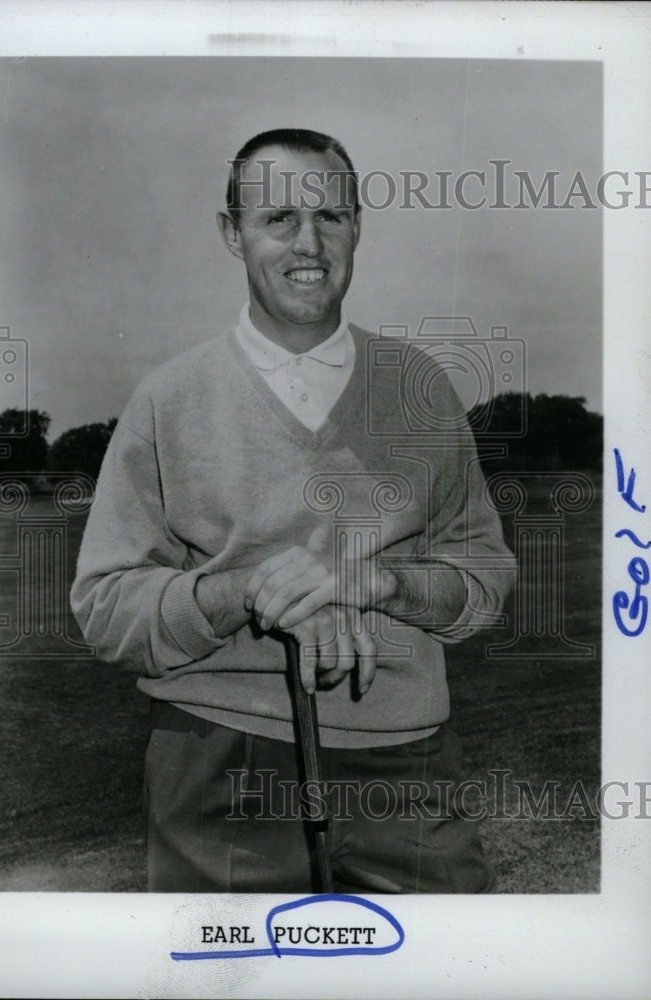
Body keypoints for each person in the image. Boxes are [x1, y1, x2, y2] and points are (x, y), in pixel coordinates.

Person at [71, 128, 515, 894]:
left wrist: (373, 583)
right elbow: (107, 609)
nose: (307, 243)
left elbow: (481, 581)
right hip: (218, 756)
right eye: (277, 219)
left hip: (403, 759)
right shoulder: (167, 399)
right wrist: (248, 591)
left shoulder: (420, 388)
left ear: (356, 228)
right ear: (232, 234)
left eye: (331, 217)